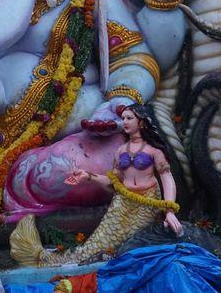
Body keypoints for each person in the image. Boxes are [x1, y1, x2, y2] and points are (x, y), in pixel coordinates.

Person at [57, 104, 182, 263]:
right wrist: (88, 176)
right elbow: (112, 181)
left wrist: (170, 211)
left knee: (129, 242)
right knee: (98, 242)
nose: (125, 122)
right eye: (123, 119)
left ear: (141, 122)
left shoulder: (154, 150)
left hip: (147, 202)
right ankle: (67, 261)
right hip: (122, 201)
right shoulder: (120, 151)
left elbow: (167, 178)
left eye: (129, 118)